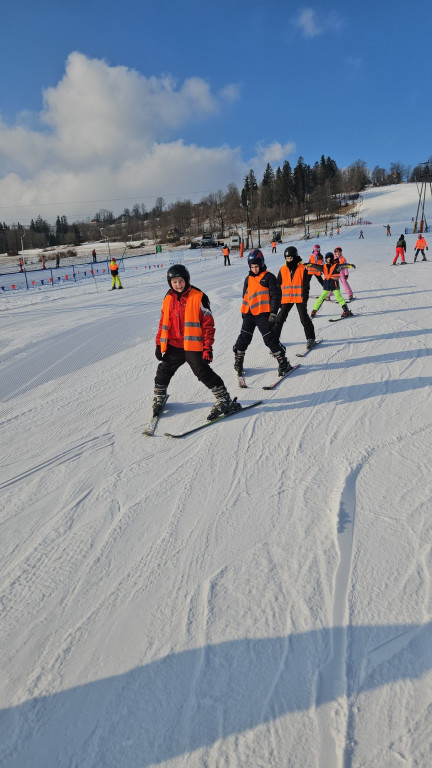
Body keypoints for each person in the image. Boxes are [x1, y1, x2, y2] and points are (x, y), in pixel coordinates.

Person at [153, 264, 240, 421]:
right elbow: (163, 323)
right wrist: (159, 344)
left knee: (202, 371)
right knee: (164, 369)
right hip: (174, 344)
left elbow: (208, 325)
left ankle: (224, 399)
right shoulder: (167, 299)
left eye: (181, 281)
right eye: (174, 282)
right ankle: (160, 395)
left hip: (193, 345)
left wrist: (207, 348)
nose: (178, 285)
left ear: (186, 280)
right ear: (169, 283)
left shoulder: (199, 297)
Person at [233, 249, 292, 378]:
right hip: (249, 314)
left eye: (256, 266)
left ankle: (283, 362)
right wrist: (244, 311)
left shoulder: (269, 277)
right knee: (244, 338)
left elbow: (276, 297)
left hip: (263, 314)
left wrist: (273, 313)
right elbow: (246, 296)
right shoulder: (248, 279)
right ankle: (238, 361)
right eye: (252, 267)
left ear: (261, 264)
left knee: (269, 339)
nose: (254, 269)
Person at [272, 246, 316, 349]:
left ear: (295, 257)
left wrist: (305, 297)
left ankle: (311, 338)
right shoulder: (282, 269)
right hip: (287, 298)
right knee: (279, 318)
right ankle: (274, 339)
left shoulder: (302, 269)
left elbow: (306, 285)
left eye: (291, 258)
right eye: (287, 258)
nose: (289, 260)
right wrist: (278, 300)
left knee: (304, 318)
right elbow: (278, 285)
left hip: (299, 298)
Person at [306, 252, 356, 319]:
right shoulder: (323, 267)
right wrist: (309, 264)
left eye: (330, 258)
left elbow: (343, 266)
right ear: (326, 259)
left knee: (339, 298)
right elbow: (315, 266)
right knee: (321, 298)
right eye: (327, 258)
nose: (329, 260)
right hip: (327, 286)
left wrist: (350, 265)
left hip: (334, 285)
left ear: (332, 259)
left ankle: (346, 310)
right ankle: (314, 311)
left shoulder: (336, 266)